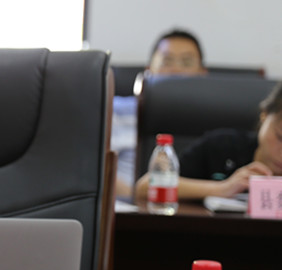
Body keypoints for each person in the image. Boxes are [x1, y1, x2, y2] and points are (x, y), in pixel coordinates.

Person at [135, 81, 282, 200]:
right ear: (264, 115)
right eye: (280, 137)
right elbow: (145, 186)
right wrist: (224, 188)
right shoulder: (222, 146)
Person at [113, 28, 207, 197]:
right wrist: (136, 197)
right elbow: (96, 166)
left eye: (186, 63)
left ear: (203, 74)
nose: (175, 70)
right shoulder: (116, 111)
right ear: (148, 70)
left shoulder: (216, 118)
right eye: (166, 61)